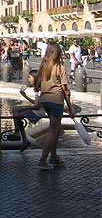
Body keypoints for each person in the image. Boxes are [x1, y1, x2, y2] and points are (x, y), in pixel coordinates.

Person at [37, 42, 74, 170]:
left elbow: (37, 84)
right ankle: (43, 160)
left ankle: (54, 156)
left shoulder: (43, 67)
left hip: (45, 100)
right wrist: (70, 108)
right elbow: (65, 90)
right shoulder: (60, 68)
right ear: (57, 53)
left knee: (57, 128)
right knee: (53, 130)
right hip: (56, 100)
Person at [10, 69, 44, 151]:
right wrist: (25, 96)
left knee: (16, 110)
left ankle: (18, 133)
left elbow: (37, 106)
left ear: (35, 78)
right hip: (36, 110)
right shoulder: (37, 90)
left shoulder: (40, 90)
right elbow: (35, 102)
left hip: (37, 113)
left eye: (30, 77)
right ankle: (21, 135)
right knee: (16, 111)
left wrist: (23, 108)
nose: (28, 79)